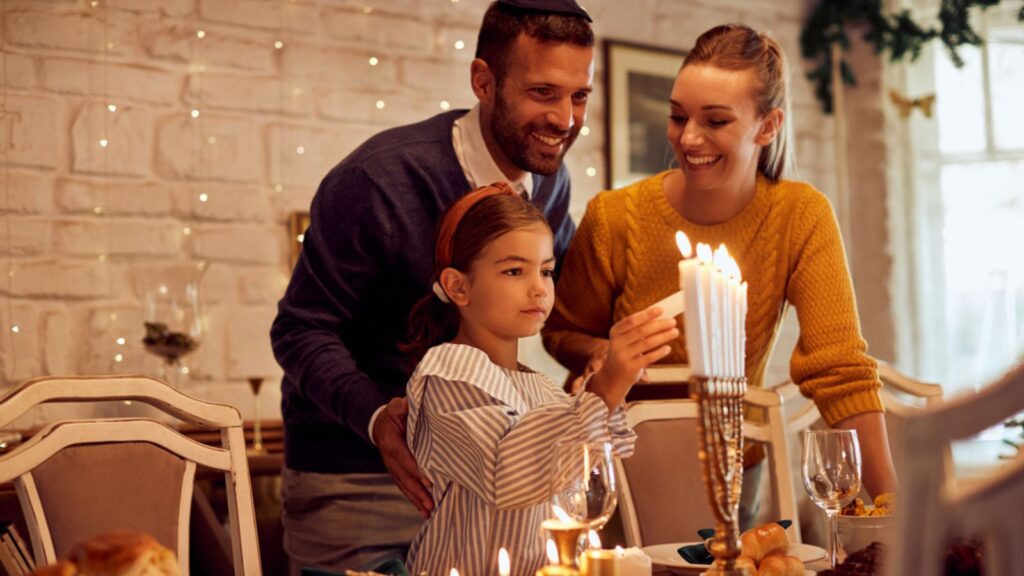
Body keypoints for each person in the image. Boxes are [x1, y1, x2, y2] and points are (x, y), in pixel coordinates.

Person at [270, 1, 596, 572]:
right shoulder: (376, 180)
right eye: (544, 93)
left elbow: (556, 305)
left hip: (483, 484)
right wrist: (377, 420)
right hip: (357, 480)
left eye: (579, 96)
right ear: (483, 81)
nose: (565, 119)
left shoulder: (551, 182)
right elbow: (301, 329)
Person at [541, 24, 899, 525]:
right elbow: (560, 331)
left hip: (735, 471)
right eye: (677, 115)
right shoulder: (615, 217)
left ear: (768, 125)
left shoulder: (800, 215)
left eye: (715, 120)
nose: (689, 138)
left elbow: (839, 371)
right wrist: (603, 351)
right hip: (613, 468)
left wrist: (896, 517)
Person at [403, 183, 677, 576]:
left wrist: (612, 388)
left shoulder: (544, 388)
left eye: (546, 271)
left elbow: (589, 475)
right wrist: (606, 386)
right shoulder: (446, 373)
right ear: (458, 286)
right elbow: (507, 475)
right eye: (514, 270)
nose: (539, 288)